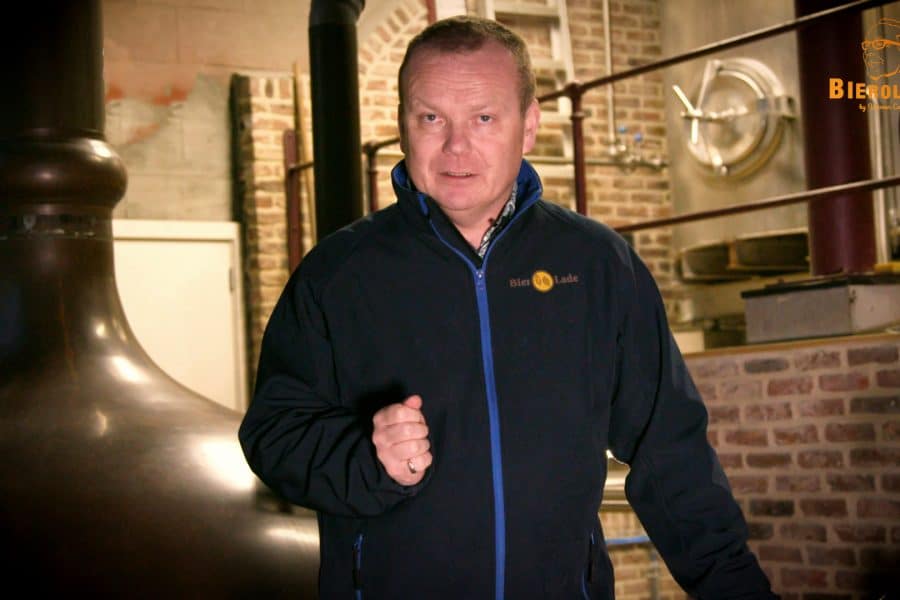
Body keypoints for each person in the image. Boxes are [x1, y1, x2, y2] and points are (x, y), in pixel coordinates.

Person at [239, 15, 776, 599]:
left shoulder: (597, 266)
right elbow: (274, 434)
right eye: (431, 118)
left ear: (529, 126)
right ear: (402, 126)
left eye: (484, 118)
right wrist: (367, 461)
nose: (456, 145)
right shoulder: (337, 276)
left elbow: (671, 454)